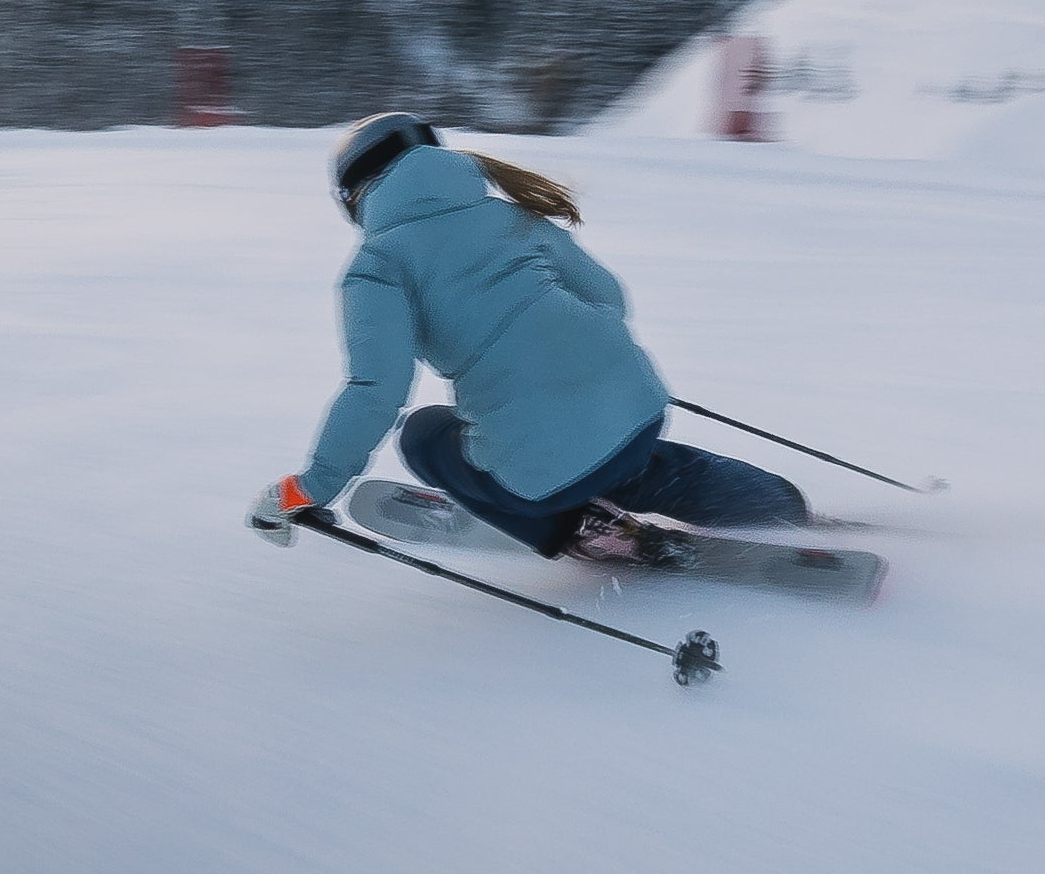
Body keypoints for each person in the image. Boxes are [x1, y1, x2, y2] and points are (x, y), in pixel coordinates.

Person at [248, 112, 809, 566]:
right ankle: (780, 507)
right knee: (634, 463)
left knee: (423, 433)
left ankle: (580, 528)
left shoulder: (376, 265)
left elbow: (377, 391)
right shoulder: (509, 215)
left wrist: (308, 489)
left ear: (354, 195)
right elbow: (609, 297)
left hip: (541, 467)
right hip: (638, 407)